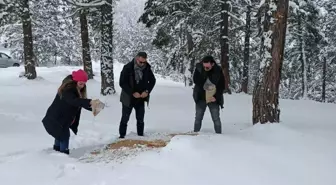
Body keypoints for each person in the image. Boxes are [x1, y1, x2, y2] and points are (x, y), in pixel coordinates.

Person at [42, 69, 102, 155]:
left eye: (84, 83)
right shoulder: (68, 89)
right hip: (56, 118)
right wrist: (90, 102)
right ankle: (63, 155)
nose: (82, 86)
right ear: (75, 81)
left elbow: (80, 102)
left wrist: (93, 107)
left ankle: (56, 152)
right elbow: (74, 101)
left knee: (59, 135)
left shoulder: (77, 89)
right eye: (81, 83)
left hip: (61, 119)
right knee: (64, 136)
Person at [118, 52, 156, 138]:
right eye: (140, 62)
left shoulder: (147, 68)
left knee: (140, 119)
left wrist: (146, 91)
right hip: (128, 97)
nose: (142, 64)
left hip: (140, 98)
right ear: (136, 59)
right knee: (125, 118)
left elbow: (153, 80)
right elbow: (122, 83)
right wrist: (132, 92)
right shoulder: (127, 67)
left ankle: (140, 136)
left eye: (144, 62)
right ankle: (121, 136)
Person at [192, 55, 225, 134]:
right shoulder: (199, 68)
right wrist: (204, 83)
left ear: (212, 64)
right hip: (201, 97)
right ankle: (195, 134)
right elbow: (195, 80)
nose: (205, 68)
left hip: (213, 98)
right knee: (198, 117)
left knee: (216, 118)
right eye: (204, 66)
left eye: (207, 67)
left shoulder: (218, 71)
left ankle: (219, 135)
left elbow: (221, 86)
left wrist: (216, 97)